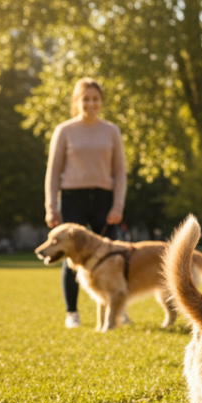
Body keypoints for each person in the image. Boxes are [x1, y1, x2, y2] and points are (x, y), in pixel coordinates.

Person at [45, 78, 127, 328]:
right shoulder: (65, 130)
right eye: (86, 99)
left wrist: (117, 206)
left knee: (114, 257)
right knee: (71, 256)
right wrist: (51, 206)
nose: (91, 104)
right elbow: (53, 171)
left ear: (101, 102)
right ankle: (72, 312)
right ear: (77, 101)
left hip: (104, 199)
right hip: (73, 197)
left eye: (95, 99)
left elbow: (120, 172)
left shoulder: (111, 130)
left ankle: (118, 309)